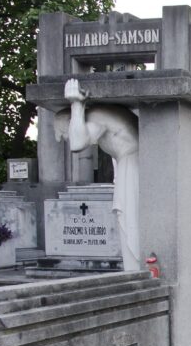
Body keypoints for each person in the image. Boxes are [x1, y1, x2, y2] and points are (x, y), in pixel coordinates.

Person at [53, 79, 141, 270]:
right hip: (131, 163)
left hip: (132, 164)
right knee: (129, 219)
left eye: (65, 134)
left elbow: (77, 144)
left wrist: (76, 104)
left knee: (129, 220)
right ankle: (134, 269)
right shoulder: (105, 116)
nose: (67, 138)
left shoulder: (96, 116)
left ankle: (135, 270)